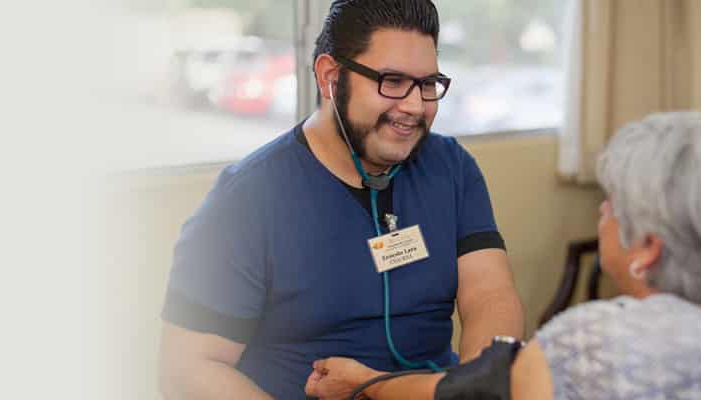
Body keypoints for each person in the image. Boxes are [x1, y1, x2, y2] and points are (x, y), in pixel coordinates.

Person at [157, 1, 525, 399]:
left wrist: (473, 387)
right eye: (393, 81)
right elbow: (188, 369)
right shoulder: (245, 199)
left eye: (427, 84)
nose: (415, 106)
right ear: (331, 76)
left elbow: (490, 293)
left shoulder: (452, 168)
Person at [303, 111, 701, 400]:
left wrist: (364, 382)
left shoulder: (592, 342)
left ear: (648, 248)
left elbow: (465, 395)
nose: (603, 210)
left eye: (614, 203)